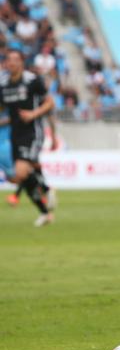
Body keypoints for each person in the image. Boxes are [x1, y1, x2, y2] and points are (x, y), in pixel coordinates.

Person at [0, 50, 55, 226]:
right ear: (6, 63)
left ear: (22, 62)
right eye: (9, 60)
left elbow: (50, 102)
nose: (12, 63)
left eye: (16, 59)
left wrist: (33, 114)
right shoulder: (3, 84)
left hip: (32, 131)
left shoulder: (32, 81)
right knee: (19, 176)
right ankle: (45, 211)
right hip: (14, 133)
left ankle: (47, 190)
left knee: (22, 171)